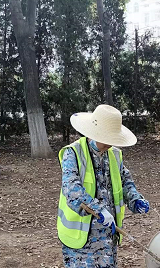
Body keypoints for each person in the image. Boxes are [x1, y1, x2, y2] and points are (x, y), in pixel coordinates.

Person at [56, 104, 150, 268]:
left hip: (107, 238)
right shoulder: (74, 153)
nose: (110, 143)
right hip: (81, 243)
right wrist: (98, 210)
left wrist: (135, 199)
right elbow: (71, 190)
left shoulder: (114, 154)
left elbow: (124, 180)